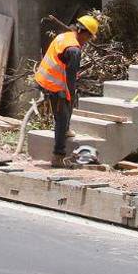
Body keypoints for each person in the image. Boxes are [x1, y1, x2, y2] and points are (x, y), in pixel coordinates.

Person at [34, 14, 100, 168]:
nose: (87, 41)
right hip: (54, 84)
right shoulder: (74, 50)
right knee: (61, 117)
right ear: (84, 33)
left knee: (67, 106)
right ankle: (58, 156)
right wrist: (69, 95)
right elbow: (70, 79)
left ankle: (67, 128)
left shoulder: (65, 36)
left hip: (45, 77)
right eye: (89, 38)